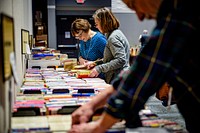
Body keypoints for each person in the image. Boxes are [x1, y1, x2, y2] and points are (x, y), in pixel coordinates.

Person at [69, 0, 199, 133]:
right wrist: (93, 104)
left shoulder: (183, 13)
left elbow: (143, 71)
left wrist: (100, 125)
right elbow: (138, 70)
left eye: (134, 5)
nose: (139, 16)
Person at [84, 7, 130, 84]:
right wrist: (95, 63)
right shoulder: (115, 34)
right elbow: (110, 58)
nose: (97, 27)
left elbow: (121, 60)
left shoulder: (113, 37)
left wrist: (99, 68)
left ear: (104, 23)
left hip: (118, 79)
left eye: (97, 24)